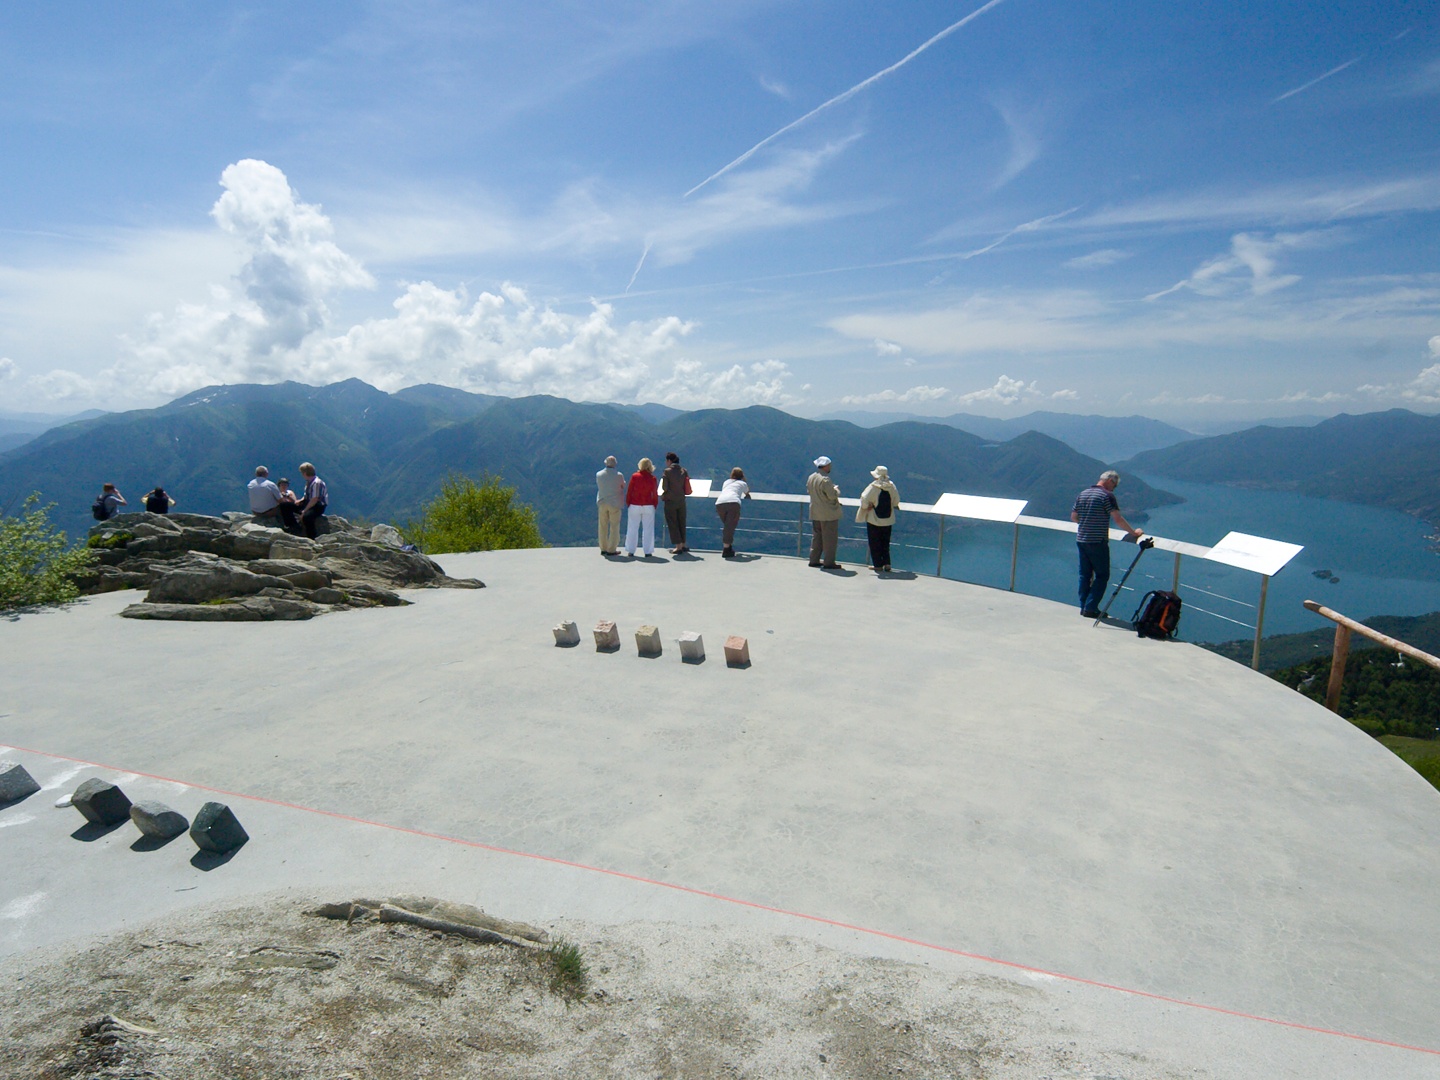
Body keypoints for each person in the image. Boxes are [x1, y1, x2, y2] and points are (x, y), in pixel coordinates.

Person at [1071, 469, 1144, 618]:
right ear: (1110, 481)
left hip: (1082, 539)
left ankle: (1084, 606)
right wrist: (1134, 533)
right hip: (1097, 541)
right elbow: (1118, 519)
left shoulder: (1083, 494)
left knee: (1084, 575)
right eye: (1115, 485)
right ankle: (1090, 608)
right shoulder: (1107, 496)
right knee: (1102, 575)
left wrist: (1087, 523)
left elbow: (1074, 517)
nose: (1114, 488)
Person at [857, 465, 898, 572]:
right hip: (888, 519)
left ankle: (878, 565)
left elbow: (864, 499)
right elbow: (896, 500)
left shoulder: (873, 487)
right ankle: (887, 563)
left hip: (874, 519)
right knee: (885, 542)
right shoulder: (892, 486)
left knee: (875, 543)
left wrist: (867, 506)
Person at [806, 455, 842, 568]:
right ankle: (829, 562)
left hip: (815, 512)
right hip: (828, 514)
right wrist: (836, 490)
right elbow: (831, 496)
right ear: (826, 466)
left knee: (817, 537)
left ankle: (814, 559)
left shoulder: (811, 477)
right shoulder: (825, 479)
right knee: (830, 539)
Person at [624, 457, 659, 558]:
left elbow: (630, 491)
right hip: (648, 505)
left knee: (632, 528)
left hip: (634, 505)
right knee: (648, 529)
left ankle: (631, 550)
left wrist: (628, 503)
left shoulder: (635, 476)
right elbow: (655, 493)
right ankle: (647, 551)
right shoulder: (652, 478)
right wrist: (654, 504)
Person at [713, 467, 751, 558]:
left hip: (720, 503)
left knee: (727, 526)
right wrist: (744, 481)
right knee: (729, 527)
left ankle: (729, 547)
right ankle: (726, 549)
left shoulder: (726, 482)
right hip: (733, 503)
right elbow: (747, 492)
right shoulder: (743, 483)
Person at [660, 451, 691, 554]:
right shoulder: (684, 471)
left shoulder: (667, 472)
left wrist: (664, 495)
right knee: (681, 522)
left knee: (673, 523)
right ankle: (683, 544)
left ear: (669, 460)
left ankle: (678, 547)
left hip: (670, 501)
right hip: (681, 500)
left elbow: (665, 487)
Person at [596, 455, 626, 556]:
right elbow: (622, 486)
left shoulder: (599, 474)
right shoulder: (619, 475)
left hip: (602, 502)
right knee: (614, 526)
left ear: (605, 463)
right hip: (615, 503)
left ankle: (603, 548)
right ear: (615, 464)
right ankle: (611, 549)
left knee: (602, 525)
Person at [294, 462, 329, 540]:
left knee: (307, 517)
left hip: (318, 505)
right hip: (309, 502)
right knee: (287, 506)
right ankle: (294, 527)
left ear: (305, 473)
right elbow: (307, 496)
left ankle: (312, 537)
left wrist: (304, 511)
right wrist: (300, 501)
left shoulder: (317, 483)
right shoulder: (309, 482)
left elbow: (314, 499)